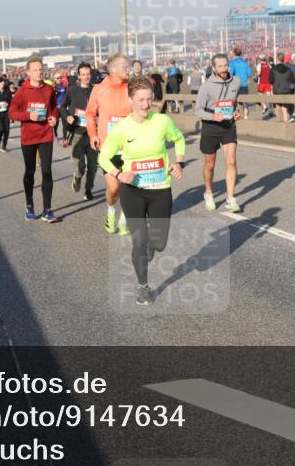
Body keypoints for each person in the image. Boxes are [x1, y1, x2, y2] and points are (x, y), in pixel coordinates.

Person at [98, 75, 186, 306]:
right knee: (139, 241)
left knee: (159, 243)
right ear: (131, 100)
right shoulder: (121, 129)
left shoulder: (162, 121)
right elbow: (104, 158)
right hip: (133, 191)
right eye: (141, 100)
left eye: (149, 99)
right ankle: (143, 287)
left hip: (160, 190)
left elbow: (179, 139)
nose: (146, 105)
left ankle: (150, 246)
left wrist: (179, 162)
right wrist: (119, 174)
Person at [86, 53, 134, 235]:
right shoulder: (99, 89)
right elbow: (90, 114)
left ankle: (123, 220)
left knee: (130, 187)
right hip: (109, 147)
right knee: (114, 188)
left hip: (130, 146)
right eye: (125, 67)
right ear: (113, 69)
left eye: (128, 66)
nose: (128, 69)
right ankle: (111, 211)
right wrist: (93, 134)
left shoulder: (133, 87)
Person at [8, 56, 59, 222]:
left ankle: (47, 210)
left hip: (45, 135)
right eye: (35, 70)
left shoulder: (49, 89)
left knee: (47, 171)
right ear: (28, 72)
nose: (39, 72)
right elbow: (12, 113)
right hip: (29, 137)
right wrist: (28, 115)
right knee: (30, 171)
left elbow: (54, 107)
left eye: (40, 69)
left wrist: (54, 118)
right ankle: (29, 205)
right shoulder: (22, 91)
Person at [195, 53, 242, 212]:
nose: (223, 69)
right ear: (214, 68)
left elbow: (235, 102)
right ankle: (208, 193)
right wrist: (213, 117)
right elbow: (198, 111)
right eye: (220, 66)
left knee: (231, 161)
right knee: (210, 165)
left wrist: (236, 112)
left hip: (228, 125)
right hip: (211, 126)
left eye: (225, 65)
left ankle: (231, 199)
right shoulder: (206, 86)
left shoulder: (236, 81)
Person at [60, 62, 98, 200]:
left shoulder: (96, 91)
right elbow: (62, 107)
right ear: (79, 76)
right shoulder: (72, 91)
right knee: (80, 165)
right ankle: (77, 176)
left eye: (88, 74)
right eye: (83, 74)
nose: (86, 77)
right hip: (77, 133)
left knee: (93, 167)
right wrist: (68, 117)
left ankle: (88, 190)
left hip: (93, 134)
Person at [268, 53, 295, 122]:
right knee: (284, 108)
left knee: (278, 109)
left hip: (277, 91)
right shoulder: (288, 69)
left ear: (277, 59)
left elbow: (270, 80)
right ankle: (286, 122)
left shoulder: (273, 69)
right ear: (283, 59)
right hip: (286, 91)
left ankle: (281, 124)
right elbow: (292, 81)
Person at [228, 46, 252, 119]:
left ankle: (237, 117)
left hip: (235, 85)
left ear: (234, 54)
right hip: (244, 85)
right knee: (245, 102)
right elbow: (249, 73)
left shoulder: (232, 62)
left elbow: (230, 73)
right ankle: (246, 117)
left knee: (235, 101)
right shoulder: (245, 63)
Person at [54, 77, 70, 147]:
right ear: (54, 79)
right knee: (56, 123)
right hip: (56, 108)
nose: (59, 79)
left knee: (64, 124)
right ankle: (55, 135)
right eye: (57, 78)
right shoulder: (53, 87)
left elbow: (67, 96)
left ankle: (64, 139)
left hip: (63, 107)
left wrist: (67, 104)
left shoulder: (64, 87)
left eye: (60, 78)